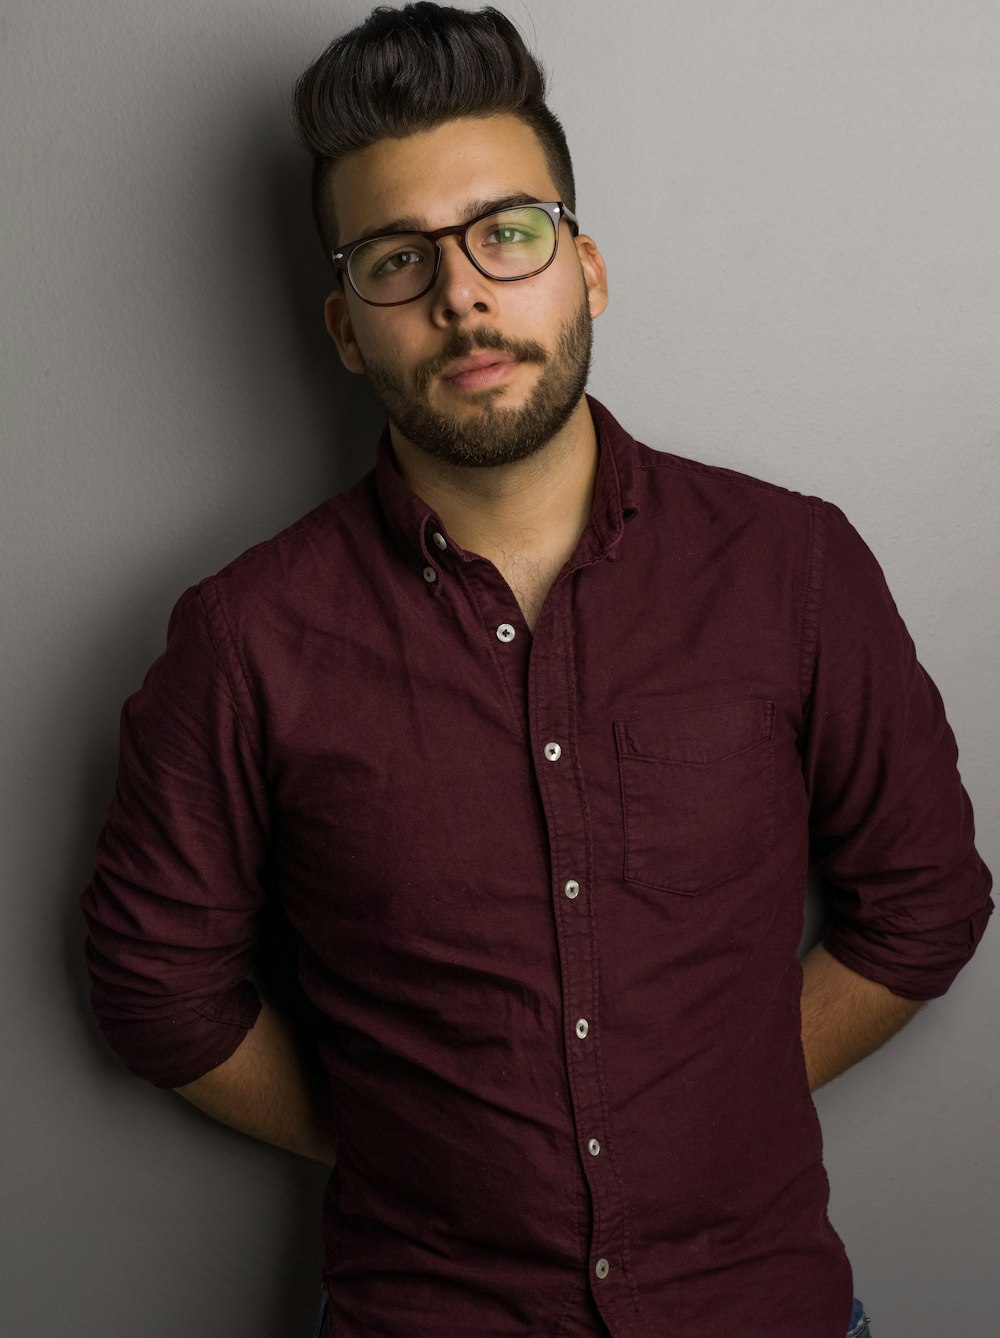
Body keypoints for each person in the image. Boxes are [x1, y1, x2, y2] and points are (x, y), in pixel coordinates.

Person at [81, 6, 992, 1336]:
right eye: (399, 259)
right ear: (346, 328)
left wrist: (698, 1098)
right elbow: (155, 994)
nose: (462, 292)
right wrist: (421, 1139)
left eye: (507, 233)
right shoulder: (245, 638)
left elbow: (925, 907)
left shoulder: (792, 565)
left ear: (587, 269)